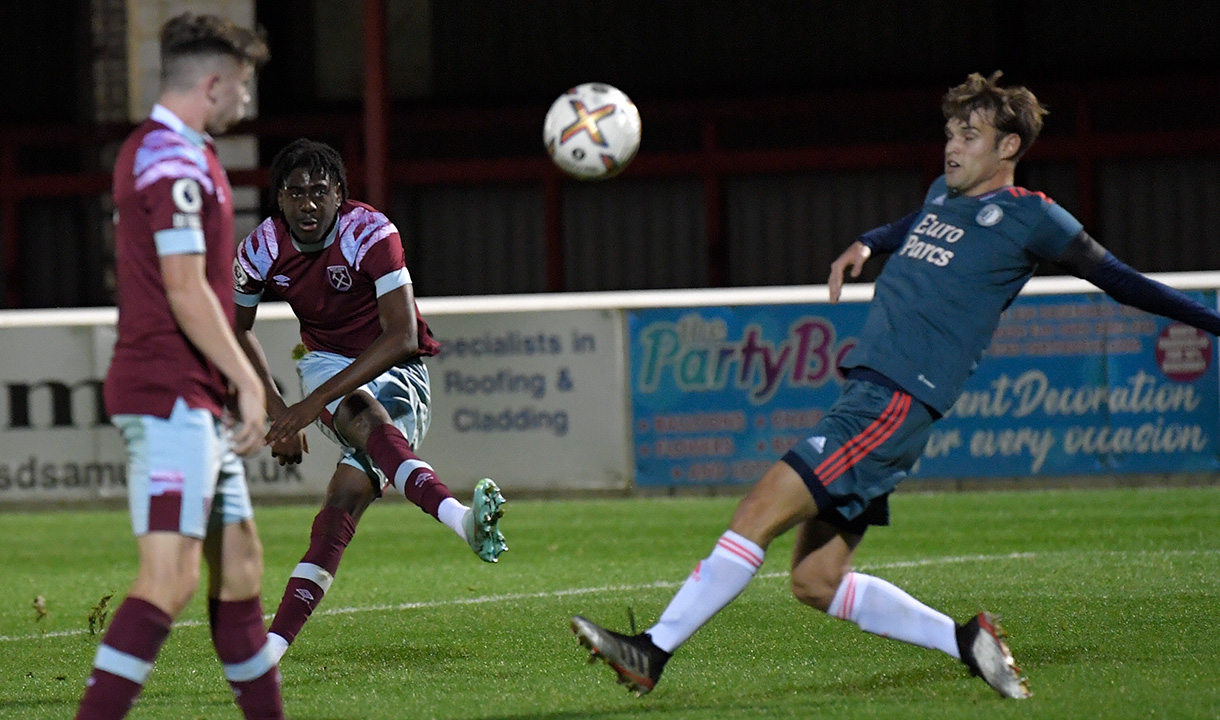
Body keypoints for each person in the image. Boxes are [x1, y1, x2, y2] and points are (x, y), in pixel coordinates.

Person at [571, 70, 1220, 700]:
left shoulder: (1034, 218)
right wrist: (865, 243)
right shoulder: (943, 194)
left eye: (970, 135)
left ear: (1009, 148)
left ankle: (650, 652)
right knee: (816, 581)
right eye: (950, 132)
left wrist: (1211, 319)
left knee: (756, 513)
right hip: (878, 396)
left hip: (897, 397)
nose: (952, 146)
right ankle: (968, 643)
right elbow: (911, 226)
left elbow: (1123, 280)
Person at [76, 13, 283, 720]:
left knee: (241, 566)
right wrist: (253, 383)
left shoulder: (172, 151)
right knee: (168, 578)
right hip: (168, 394)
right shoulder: (172, 159)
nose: (247, 102)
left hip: (192, 396)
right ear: (214, 83)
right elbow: (186, 286)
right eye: (245, 86)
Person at [233, 138, 507, 662]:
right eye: (295, 193)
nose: (307, 204)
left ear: (339, 195)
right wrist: (280, 415)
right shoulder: (260, 249)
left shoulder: (371, 232)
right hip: (327, 365)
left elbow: (402, 335)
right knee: (365, 418)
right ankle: (460, 519)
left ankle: (270, 648)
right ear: (279, 201)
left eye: (319, 191)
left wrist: (309, 407)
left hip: (399, 367)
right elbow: (237, 329)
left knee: (343, 501)